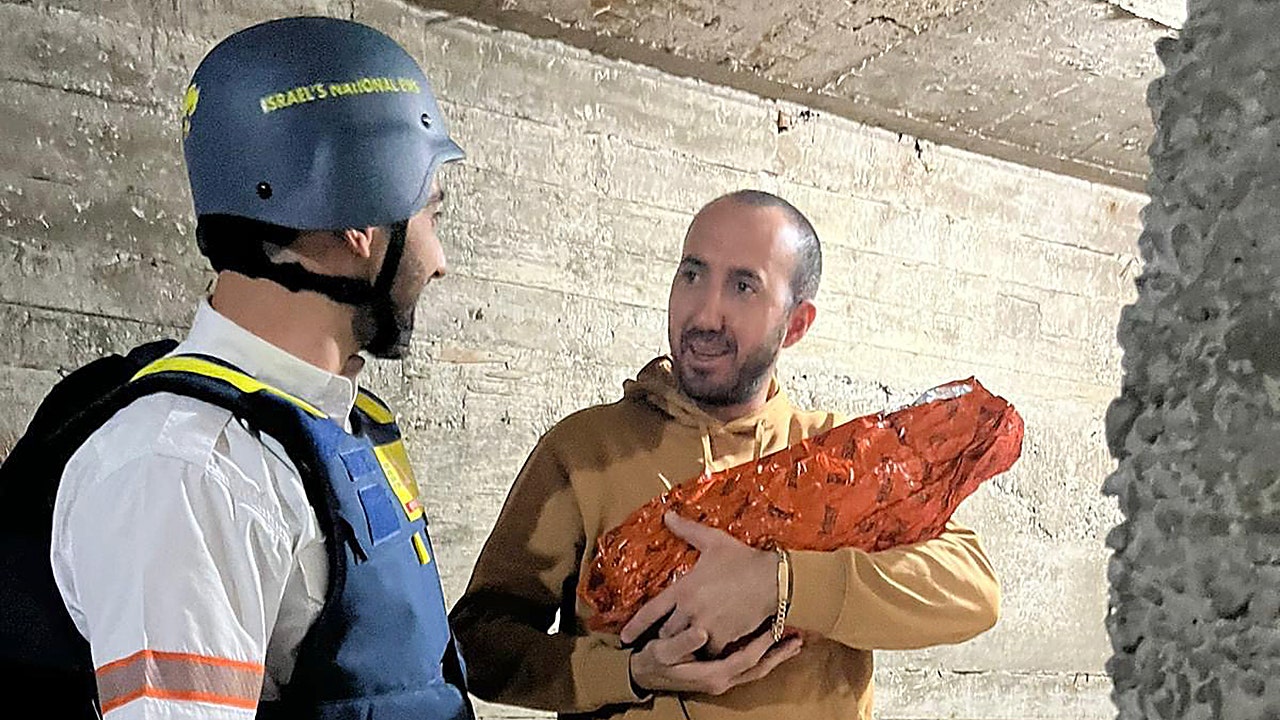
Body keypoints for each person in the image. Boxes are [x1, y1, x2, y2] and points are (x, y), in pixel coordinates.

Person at [30, 16, 471, 719]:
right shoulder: (188, 473)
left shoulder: (336, 422)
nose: (439, 261)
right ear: (358, 224)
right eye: (430, 216)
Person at [449, 190, 1002, 720]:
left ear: (796, 324)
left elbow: (972, 589)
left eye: (743, 287)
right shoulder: (584, 449)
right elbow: (477, 644)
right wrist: (631, 673)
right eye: (692, 275)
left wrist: (778, 585)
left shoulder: (844, 455)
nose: (705, 315)